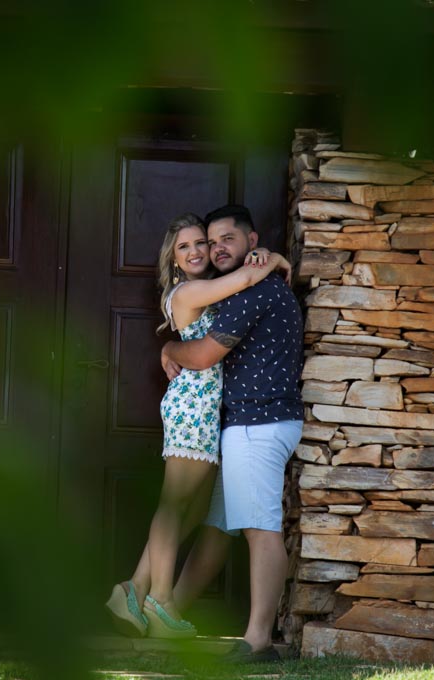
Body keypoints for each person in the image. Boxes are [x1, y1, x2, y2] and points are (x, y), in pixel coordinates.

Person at [105, 212, 291, 639]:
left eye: (199, 244)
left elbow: (242, 278)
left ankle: (131, 590)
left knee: (188, 510)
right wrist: (273, 258)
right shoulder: (189, 292)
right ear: (172, 258)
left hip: (209, 411)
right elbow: (245, 280)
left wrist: (266, 253)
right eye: (183, 247)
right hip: (192, 409)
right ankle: (162, 601)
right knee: (173, 506)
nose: (194, 252)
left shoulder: (208, 292)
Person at [160, 204, 303, 663]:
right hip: (243, 424)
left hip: (256, 426)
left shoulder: (252, 292)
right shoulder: (250, 284)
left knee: (261, 530)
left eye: (228, 239)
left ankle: (257, 640)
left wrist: (167, 346)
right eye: (211, 240)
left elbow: (202, 356)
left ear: (252, 241)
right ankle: (171, 613)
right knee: (218, 528)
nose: (217, 248)